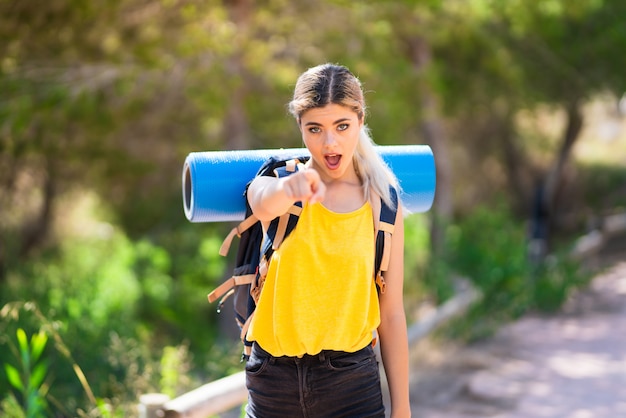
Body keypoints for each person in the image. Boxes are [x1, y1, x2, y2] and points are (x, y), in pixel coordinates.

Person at [244, 63, 410, 418]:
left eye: (342, 126)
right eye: (315, 129)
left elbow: (391, 313)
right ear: (300, 128)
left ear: (361, 121)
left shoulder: (384, 203)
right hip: (273, 381)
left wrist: (403, 408)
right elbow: (261, 202)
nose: (329, 142)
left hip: (351, 382)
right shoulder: (279, 180)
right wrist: (293, 187)